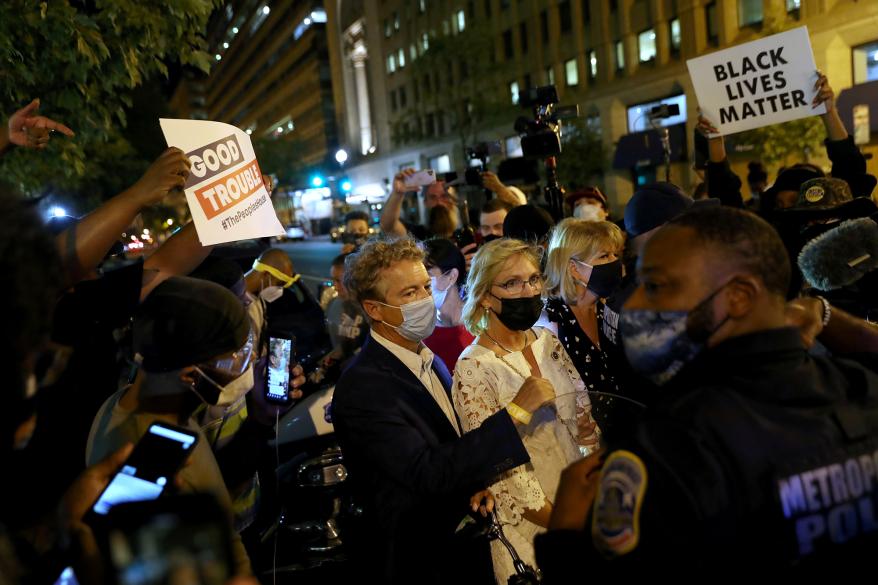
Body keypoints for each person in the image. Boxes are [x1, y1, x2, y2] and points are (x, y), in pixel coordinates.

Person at [535, 206, 878, 576]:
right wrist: (824, 315)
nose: (634, 304)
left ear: (738, 297)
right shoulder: (861, 390)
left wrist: (567, 539)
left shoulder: (670, 444)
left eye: (656, 286)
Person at [332, 237, 554, 584]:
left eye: (424, 286)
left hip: (457, 547)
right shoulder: (364, 387)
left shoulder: (428, 358)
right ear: (374, 309)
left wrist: (472, 485)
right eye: (408, 294)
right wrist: (514, 413)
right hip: (416, 559)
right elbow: (426, 472)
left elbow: (451, 446)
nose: (424, 299)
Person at [451, 238, 598, 583]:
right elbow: (498, 471)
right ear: (486, 296)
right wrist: (566, 522)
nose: (528, 290)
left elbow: (582, 415)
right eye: (512, 283)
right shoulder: (474, 366)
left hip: (580, 500)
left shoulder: (547, 340)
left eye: (533, 279)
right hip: (535, 524)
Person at [86, 276, 254, 575]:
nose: (247, 363)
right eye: (236, 358)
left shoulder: (128, 402)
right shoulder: (154, 464)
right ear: (190, 376)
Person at [542, 219, 634, 434]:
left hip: (620, 430)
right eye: (604, 256)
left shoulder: (606, 308)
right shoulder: (551, 319)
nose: (614, 263)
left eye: (614, 255)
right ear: (574, 268)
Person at [422, 239, 473, 371]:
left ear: (452, 276)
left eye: (427, 276)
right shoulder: (421, 332)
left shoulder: (480, 321)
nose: (420, 287)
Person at [380, 169, 459, 240]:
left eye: (444, 196)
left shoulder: (467, 232)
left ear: (453, 199)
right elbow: (388, 226)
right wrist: (397, 193)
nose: (439, 202)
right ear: (425, 202)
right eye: (433, 197)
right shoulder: (417, 236)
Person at [325, 253, 369, 368]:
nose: (335, 286)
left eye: (338, 281)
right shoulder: (334, 304)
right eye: (333, 281)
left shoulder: (370, 309)